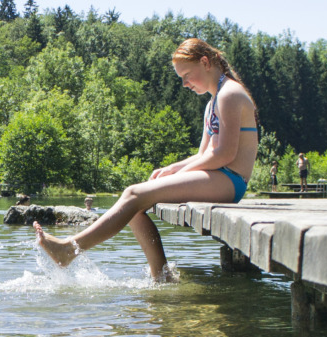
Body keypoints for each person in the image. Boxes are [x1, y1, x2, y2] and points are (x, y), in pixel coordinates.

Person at [34, 38, 259, 281]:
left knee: (134, 194)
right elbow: (203, 155)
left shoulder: (229, 94)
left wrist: (180, 174)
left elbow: (225, 154)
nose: (184, 83)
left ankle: (69, 250)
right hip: (216, 177)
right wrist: (171, 168)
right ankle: (161, 276)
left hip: (230, 180)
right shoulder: (212, 102)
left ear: (205, 62)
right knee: (133, 203)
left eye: (186, 75)